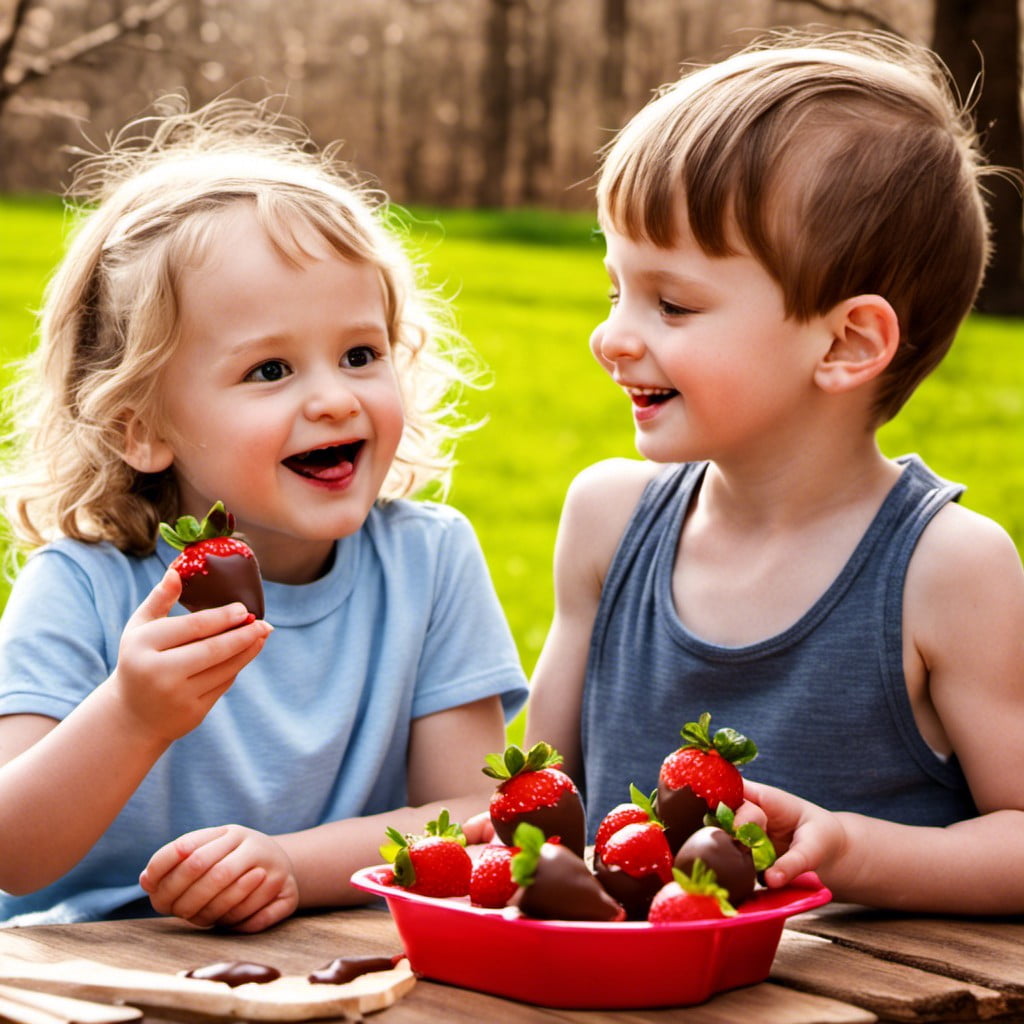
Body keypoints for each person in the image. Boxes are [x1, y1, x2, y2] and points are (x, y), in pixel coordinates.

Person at [525, 31, 1024, 913]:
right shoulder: (606, 521)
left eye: (671, 303)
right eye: (615, 290)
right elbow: (538, 809)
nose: (612, 337)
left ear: (845, 342)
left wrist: (858, 852)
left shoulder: (949, 571)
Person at [0, 97, 528, 930]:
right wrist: (131, 719)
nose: (332, 398)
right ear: (140, 428)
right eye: (270, 369)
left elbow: (473, 817)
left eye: (360, 354)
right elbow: (14, 852)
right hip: (84, 972)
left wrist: (291, 865)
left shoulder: (428, 564)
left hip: (334, 954)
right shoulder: (83, 586)